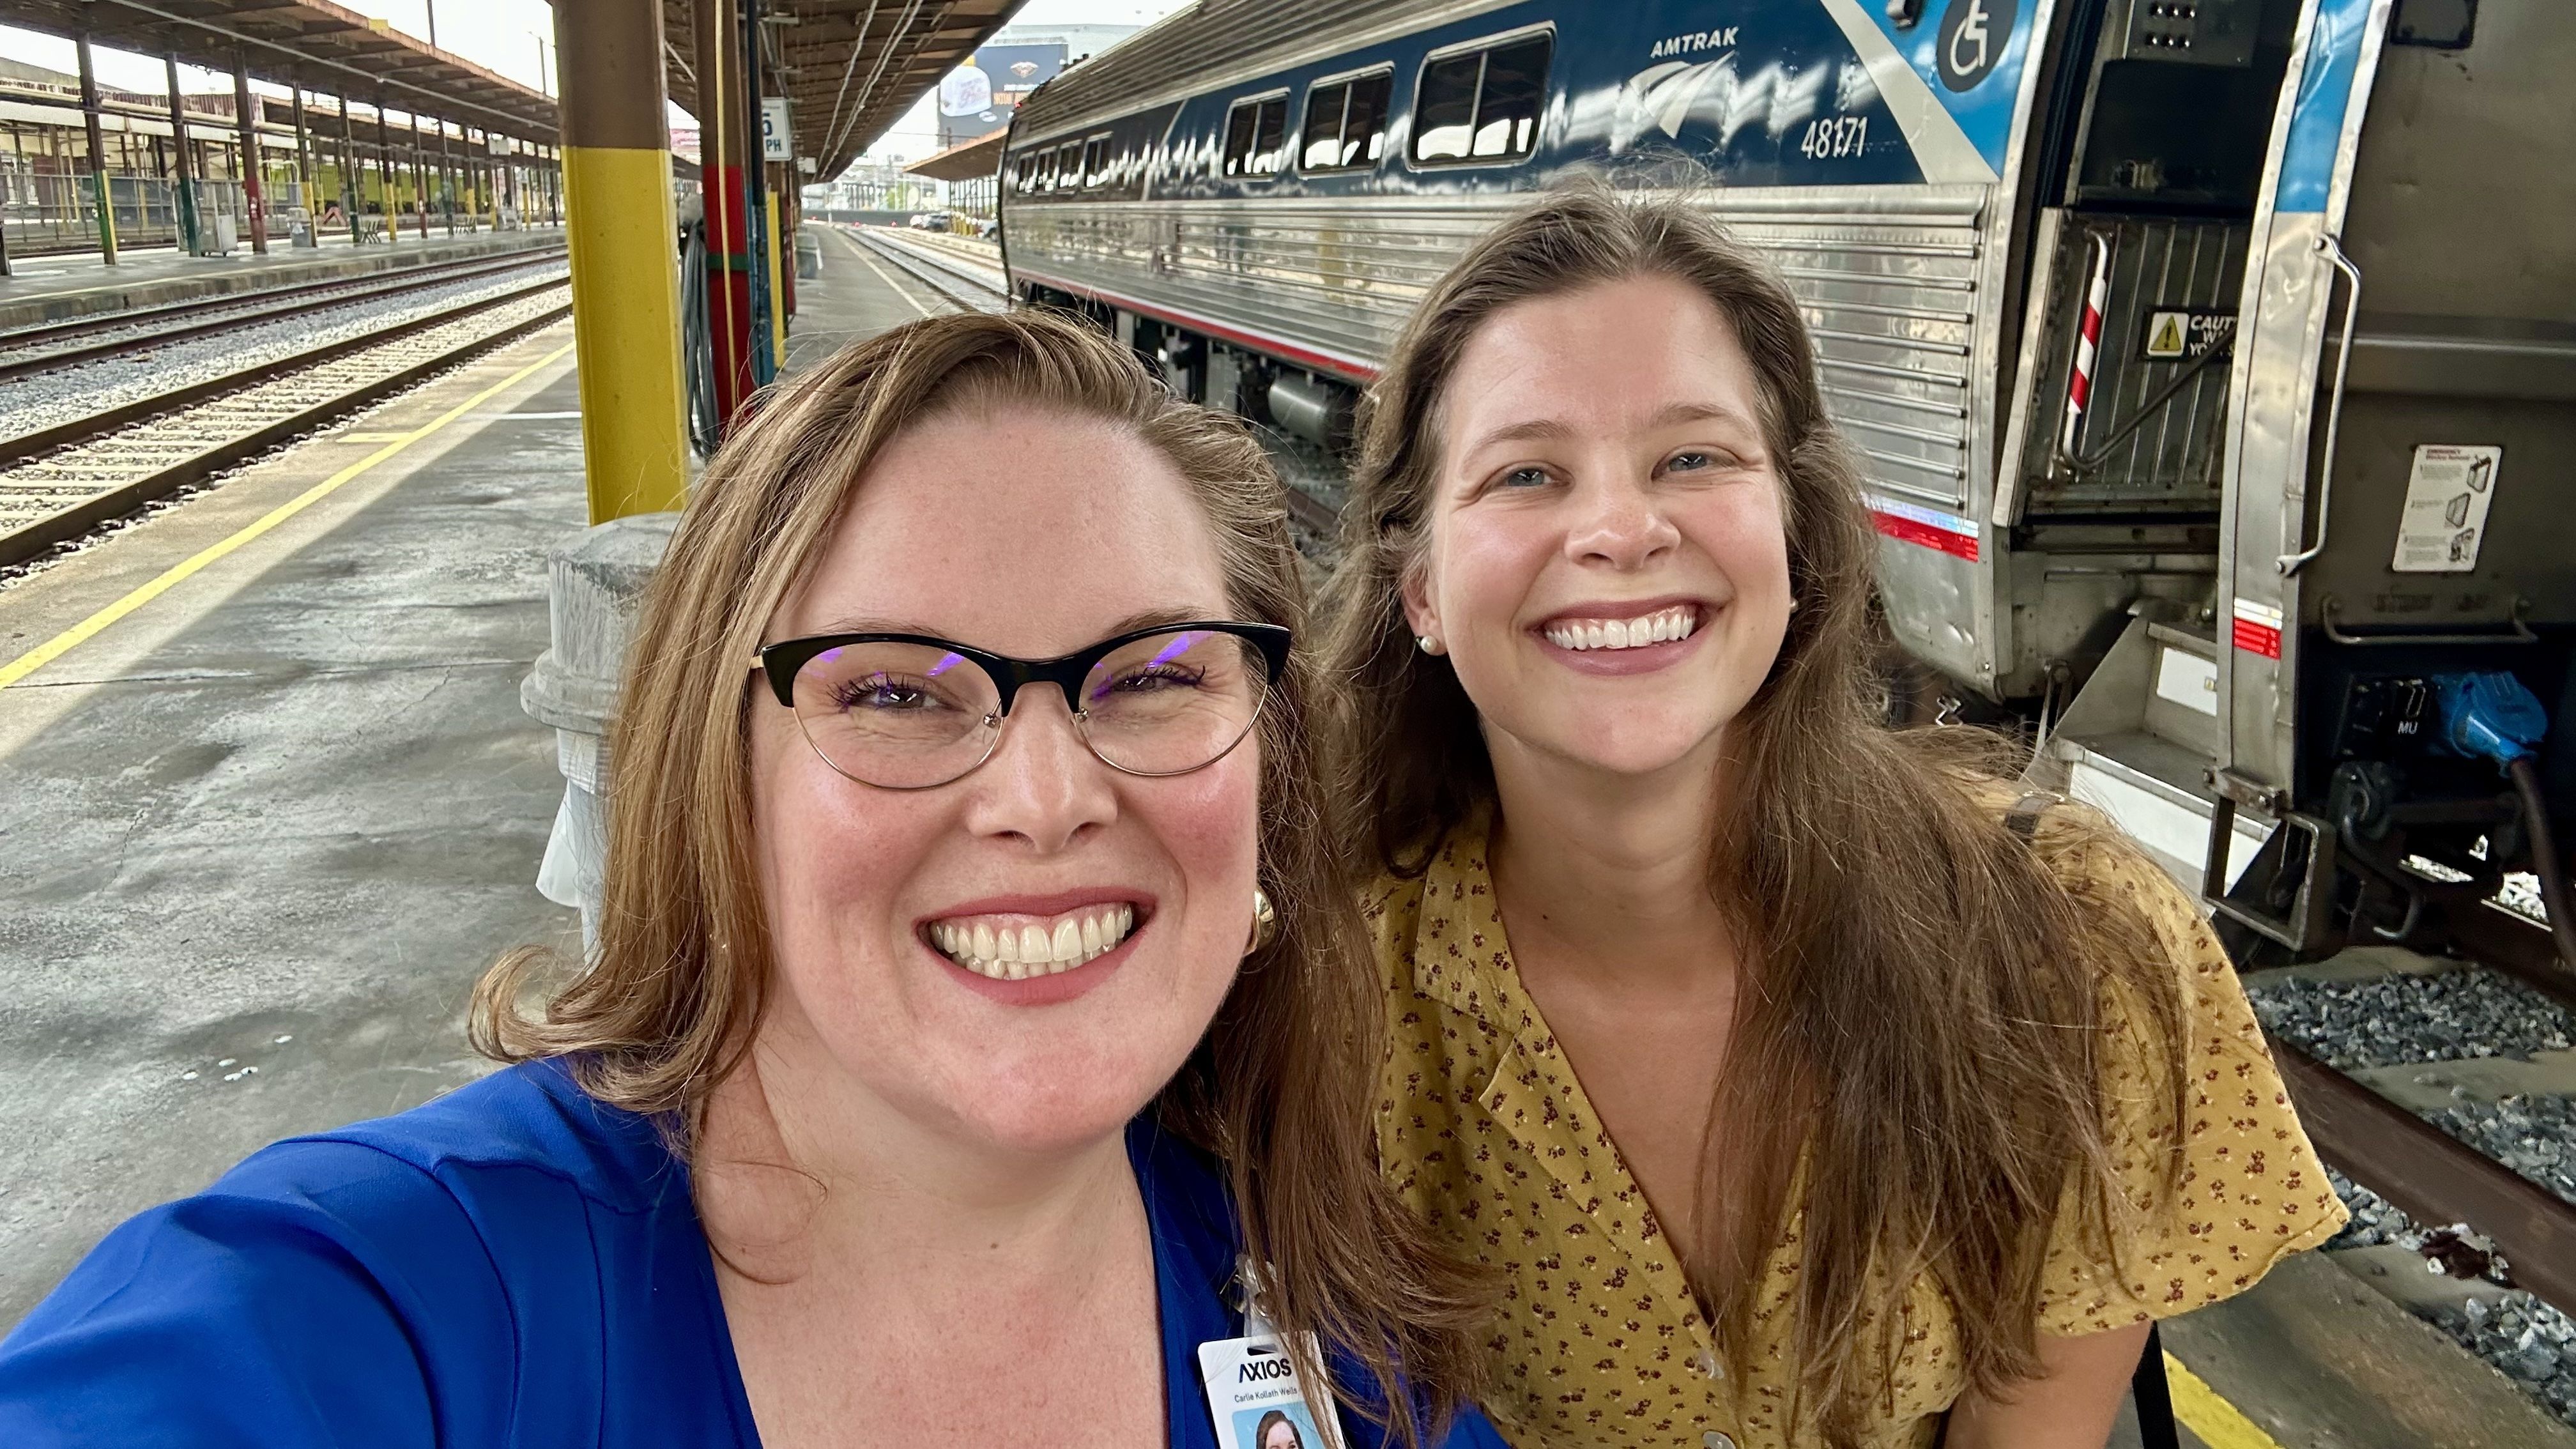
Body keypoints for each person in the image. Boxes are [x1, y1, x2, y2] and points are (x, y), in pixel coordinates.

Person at [0, 310, 1501, 1449]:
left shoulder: (1331, 1309)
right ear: (719, 782)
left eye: (1155, 676)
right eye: (897, 694)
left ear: (1271, 769)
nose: (1046, 797)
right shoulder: (388, 1306)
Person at [1319, 182, 2347, 1449]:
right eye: (1527, 473)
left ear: (1794, 538)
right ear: (1419, 589)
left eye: (1693, 457)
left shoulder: (2067, 943)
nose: (1624, 529)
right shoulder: (1324, 1003)